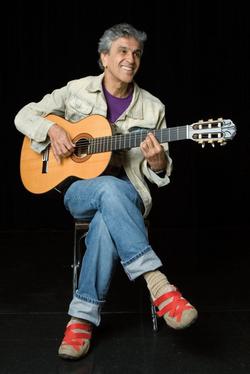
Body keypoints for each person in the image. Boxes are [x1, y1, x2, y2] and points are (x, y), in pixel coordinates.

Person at [14, 23, 198, 360]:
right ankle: (157, 283)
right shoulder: (76, 91)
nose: (131, 59)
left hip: (128, 196)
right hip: (79, 192)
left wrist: (158, 163)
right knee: (106, 192)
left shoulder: (153, 108)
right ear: (104, 58)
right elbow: (23, 115)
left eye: (137, 53)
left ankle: (81, 319)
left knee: (107, 215)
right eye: (123, 51)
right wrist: (52, 128)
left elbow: (160, 171)